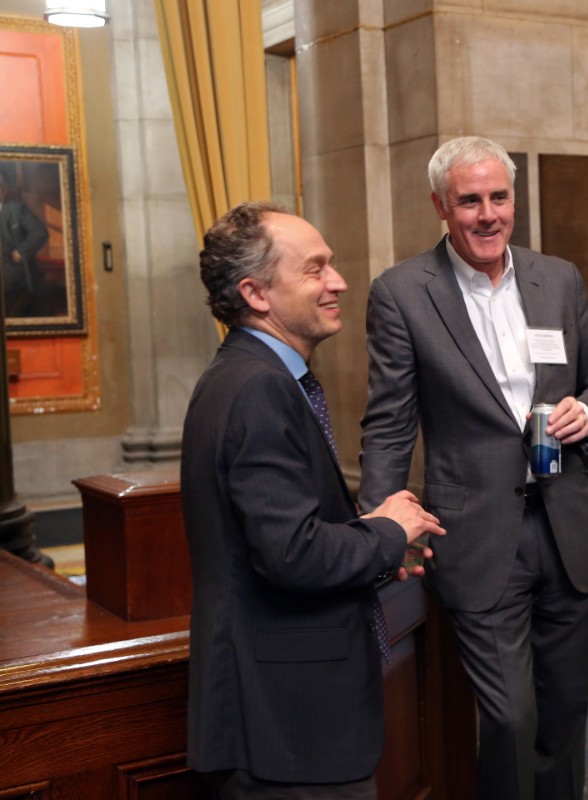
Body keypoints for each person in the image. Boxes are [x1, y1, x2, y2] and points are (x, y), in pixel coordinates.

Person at [360, 136, 588, 800]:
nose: (487, 214)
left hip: (570, 527)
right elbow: (389, 421)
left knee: (564, 719)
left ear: (514, 200)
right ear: (440, 207)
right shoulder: (402, 294)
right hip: (476, 537)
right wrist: (382, 528)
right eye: (469, 200)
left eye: (498, 197)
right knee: (508, 716)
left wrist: (586, 415)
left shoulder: (557, 277)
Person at [181, 202, 445, 799]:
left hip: (288, 721)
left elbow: (288, 529)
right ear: (256, 293)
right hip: (287, 728)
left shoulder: (253, 376)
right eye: (315, 269)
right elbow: (292, 555)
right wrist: (387, 531)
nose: (339, 282)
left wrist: (372, 544)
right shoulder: (258, 390)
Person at [0, 173, 49, 316]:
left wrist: (20, 252)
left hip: (13, 275)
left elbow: (40, 233)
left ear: (2, 190)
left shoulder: (16, 209)